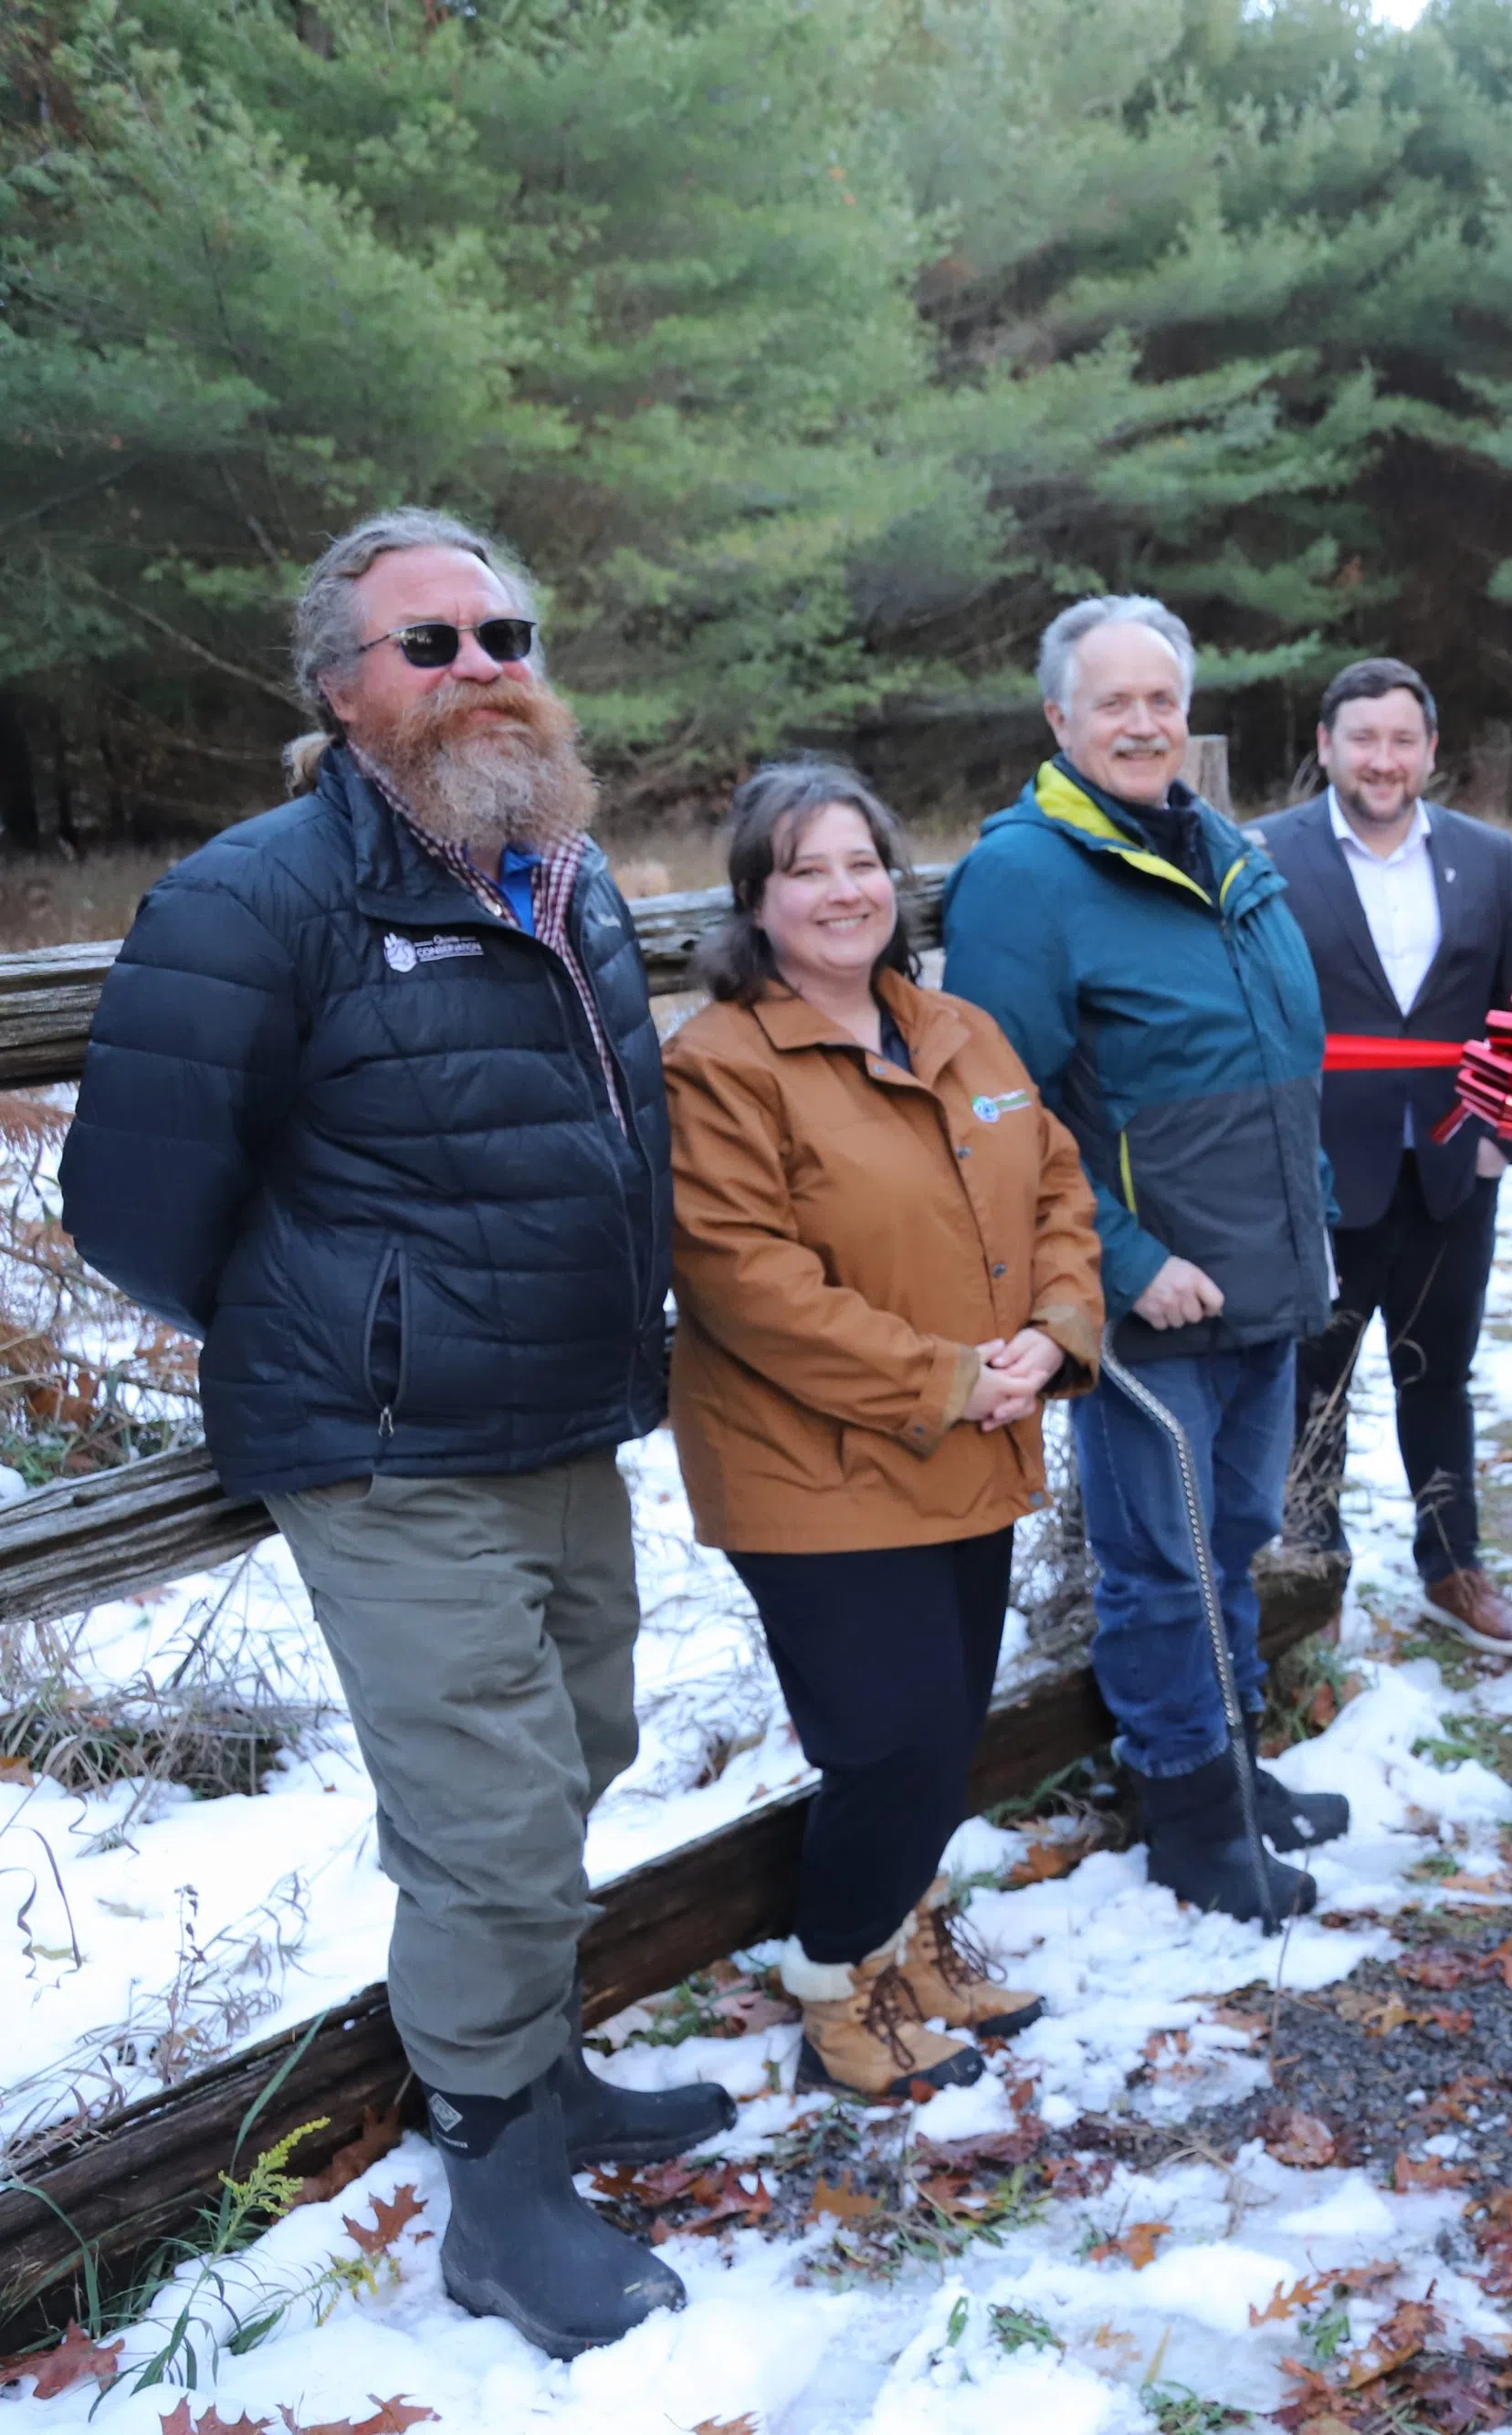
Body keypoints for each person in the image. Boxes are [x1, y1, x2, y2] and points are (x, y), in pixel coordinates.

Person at [61, 508, 725, 2357]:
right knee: (493, 1815)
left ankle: (538, 2066)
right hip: (383, 1437)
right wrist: (343, 1319)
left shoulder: (562, 871)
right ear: (340, 691)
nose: (480, 664)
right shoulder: (257, 894)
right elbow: (131, 1203)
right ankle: (499, 2180)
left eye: (501, 629)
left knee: (585, 1740)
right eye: (427, 644)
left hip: (562, 1413)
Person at [664, 762, 1102, 2101]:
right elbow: (749, 1280)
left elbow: (1057, 1190)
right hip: (815, 1467)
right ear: (755, 898)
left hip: (970, 1444)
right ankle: (837, 1982)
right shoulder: (721, 1062)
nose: (842, 890)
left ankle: (910, 1947)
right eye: (806, 868)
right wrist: (948, 1376)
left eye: (861, 862)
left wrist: (1058, 1328)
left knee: (945, 1725)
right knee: (889, 1739)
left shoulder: (962, 1031)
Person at [939, 595, 1349, 1927]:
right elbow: (1002, 1106)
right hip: (1154, 1290)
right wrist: (1119, 1259)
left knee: (1231, 1536)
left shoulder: (1217, 843)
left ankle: (1228, 1761)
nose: (1141, 720)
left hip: (1265, 1268)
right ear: (1058, 718)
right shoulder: (1028, 874)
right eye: (1109, 700)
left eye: (1160, 698)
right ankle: (1186, 1807)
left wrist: (1312, 1215)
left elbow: (1281, 1054)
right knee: (1160, 1557)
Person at [1257, 658, 1512, 1659]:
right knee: (1310, 1389)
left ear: (1429, 751)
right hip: (1316, 1183)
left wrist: (1499, 1145)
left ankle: (1451, 1565)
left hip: (1446, 1177)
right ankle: (1309, 1580)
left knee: (1439, 1376)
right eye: (1362, 739)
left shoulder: (1486, 856)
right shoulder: (1264, 858)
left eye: (1401, 740)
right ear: (1325, 748)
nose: (1382, 760)